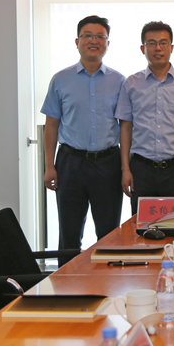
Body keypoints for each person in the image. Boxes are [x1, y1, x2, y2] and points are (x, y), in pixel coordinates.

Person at [41, 16, 125, 265]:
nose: (93, 41)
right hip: (70, 162)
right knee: (69, 233)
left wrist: (125, 167)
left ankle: (107, 284)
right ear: (77, 41)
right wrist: (49, 166)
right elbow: (51, 125)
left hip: (108, 163)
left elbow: (125, 127)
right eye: (87, 36)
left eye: (100, 36)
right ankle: (66, 285)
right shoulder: (60, 79)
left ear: (108, 43)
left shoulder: (119, 81)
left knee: (109, 234)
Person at [116, 21, 174, 216]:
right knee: (142, 226)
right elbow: (125, 128)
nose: (158, 48)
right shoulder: (131, 83)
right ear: (143, 48)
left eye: (163, 43)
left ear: (171, 47)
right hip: (141, 170)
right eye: (151, 43)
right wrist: (125, 169)